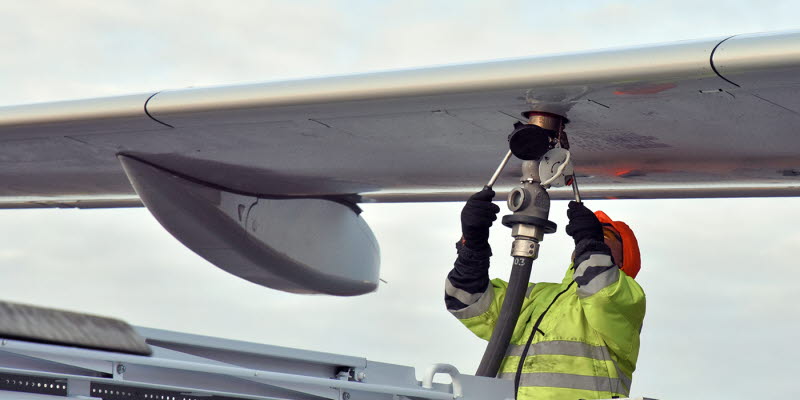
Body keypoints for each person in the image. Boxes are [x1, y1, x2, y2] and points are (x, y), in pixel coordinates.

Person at [445, 188, 645, 400]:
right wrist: (473, 244)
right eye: (595, 235)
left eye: (605, 235)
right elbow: (465, 299)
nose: (595, 239)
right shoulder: (538, 296)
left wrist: (590, 241)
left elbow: (601, 291)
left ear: (624, 259)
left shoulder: (628, 299)